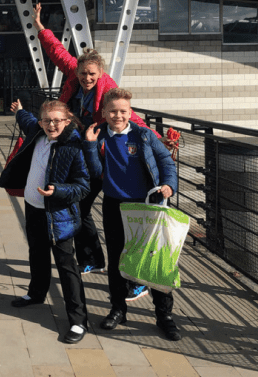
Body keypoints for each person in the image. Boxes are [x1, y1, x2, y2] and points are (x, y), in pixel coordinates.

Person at [34, 2, 158, 302]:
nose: (86, 78)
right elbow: (58, 53)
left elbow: (131, 117)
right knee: (81, 208)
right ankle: (93, 258)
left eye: (91, 74)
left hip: (114, 162)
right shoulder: (75, 77)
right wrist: (41, 28)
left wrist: (156, 142)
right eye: (83, 73)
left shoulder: (108, 87)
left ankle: (139, 279)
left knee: (127, 222)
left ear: (100, 72)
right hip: (88, 159)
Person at [83, 88, 182, 341]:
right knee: (117, 259)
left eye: (123, 111)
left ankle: (164, 316)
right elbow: (95, 172)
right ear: (104, 112)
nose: (118, 115)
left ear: (130, 112)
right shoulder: (100, 135)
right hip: (115, 206)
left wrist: (169, 184)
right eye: (112, 111)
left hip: (147, 204)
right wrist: (90, 145)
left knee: (155, 259)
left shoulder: (144, 135)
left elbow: (166, 163)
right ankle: (118, 309)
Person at [0, 99, 90, 343]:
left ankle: (78, 321)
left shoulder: (73, 146)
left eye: (57, 120)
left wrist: (57, 191)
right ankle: (36, 294)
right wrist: (19, 111)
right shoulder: (37, 131)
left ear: (67, 121)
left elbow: (82, 186)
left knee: (66, 267)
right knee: (37, 253)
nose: (51, 125)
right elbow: (27, 120)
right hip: (33, 208)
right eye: (47, 120)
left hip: (57, 215)